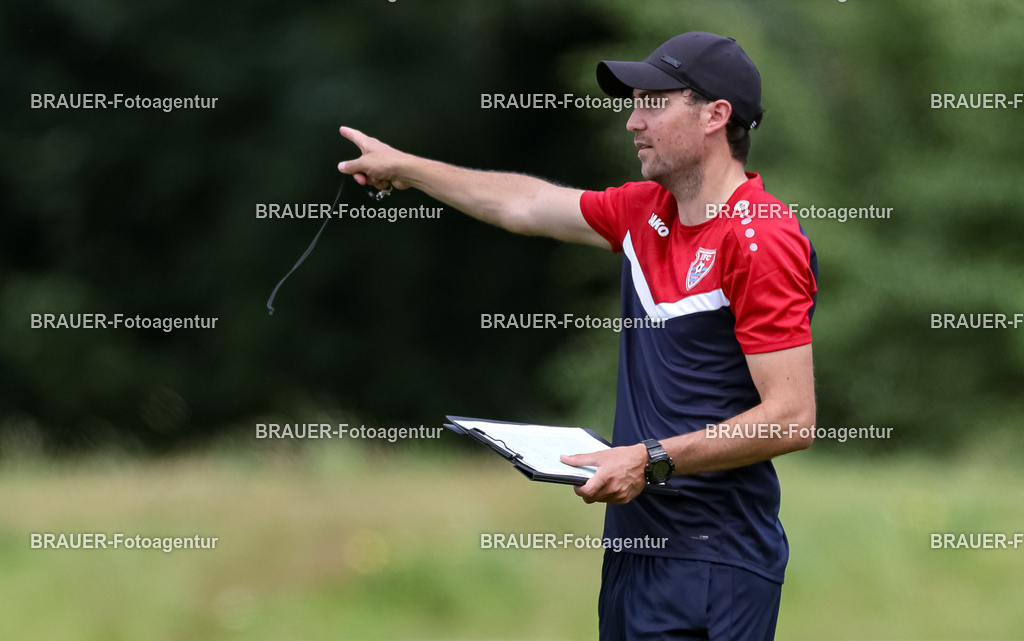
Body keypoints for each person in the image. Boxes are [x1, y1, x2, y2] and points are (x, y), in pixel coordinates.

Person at [338, 31, 818, 640]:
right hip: (634, 552)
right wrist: (407, 168)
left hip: (714, 562)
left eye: (653, 102)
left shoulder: (761, 238)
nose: (632, 122)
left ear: (715, 115)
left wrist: (651, 459)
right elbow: (528, 204)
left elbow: (791, 418)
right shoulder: (647, 212)